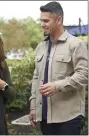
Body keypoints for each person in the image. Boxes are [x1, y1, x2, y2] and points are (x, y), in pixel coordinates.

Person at [29, 1, 88, 135]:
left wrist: (58, 85)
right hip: (45, 118)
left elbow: (85, 74)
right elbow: (36, 77)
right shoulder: (41, 47)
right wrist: (33, 106)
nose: (42, 24)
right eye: (41, 20)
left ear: (59, 19)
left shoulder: (76, 45)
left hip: (69, 118)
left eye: (46, 21)